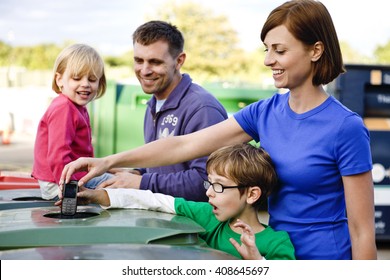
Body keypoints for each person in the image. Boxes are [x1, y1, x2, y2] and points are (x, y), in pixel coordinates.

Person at [61, 0, 377, 260]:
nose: (268, 60)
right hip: (267, 256)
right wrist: (108, 162)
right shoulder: (264, 113)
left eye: (279, 51)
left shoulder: (344, 128)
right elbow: (183, 146)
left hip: (323, 262)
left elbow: (363, 231)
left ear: (316, 51)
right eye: (266, 50)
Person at [60, 143, 295, 260]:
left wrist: (259, 263)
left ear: (252, 194)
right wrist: (102, 196)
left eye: (219, 186)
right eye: (209, 184)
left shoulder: (276, 244)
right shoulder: (208, 216)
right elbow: (156, 201)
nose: (210, 193)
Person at [98, 20, 228, 202]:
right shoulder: (154, 103)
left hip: (193, 227)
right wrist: (135, 173)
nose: (144, 70)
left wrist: (142, 182)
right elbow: (163, 168)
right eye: (138, 60)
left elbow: (207, 183)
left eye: (155, 62)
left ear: (179, 61)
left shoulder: (202, 108)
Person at [32, 44, 113, 200]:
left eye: (92, 79)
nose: (85, 84)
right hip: (59, 183)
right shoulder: (64, 108)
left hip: (67, 177)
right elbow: (58, 155)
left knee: (117, 177)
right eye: (77, 78)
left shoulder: (77, 107)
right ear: (59, 79)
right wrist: (69, 190)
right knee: (123, 185)